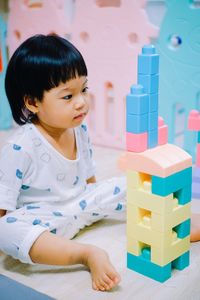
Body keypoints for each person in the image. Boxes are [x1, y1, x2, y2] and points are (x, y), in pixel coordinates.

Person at [0, 34, 126, 292]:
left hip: (82, 205)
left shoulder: (79, 129)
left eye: (84, 89)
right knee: (4, 230)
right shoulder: (20, 147)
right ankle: (85, 254)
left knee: (134, 182)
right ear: (33, 102)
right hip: (45, 220)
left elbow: (91, 181)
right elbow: (4, 208)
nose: (81, 102)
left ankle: (176, 222)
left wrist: (104, 199)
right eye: (67, 97)